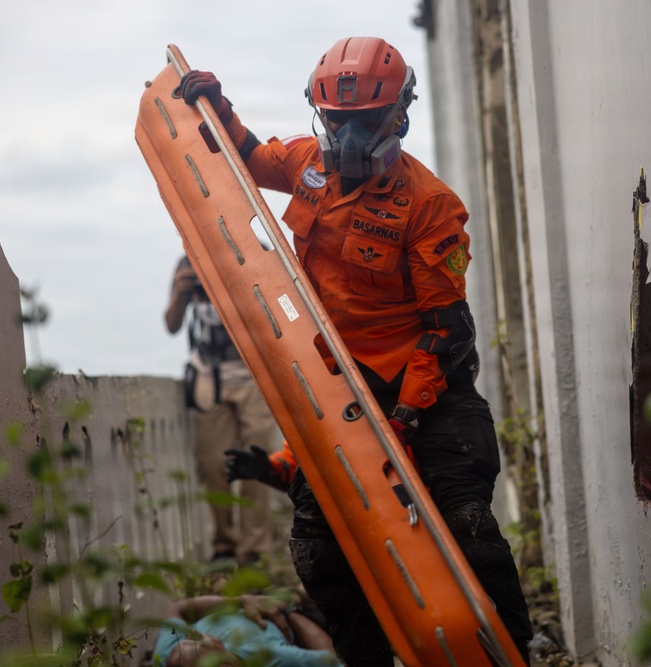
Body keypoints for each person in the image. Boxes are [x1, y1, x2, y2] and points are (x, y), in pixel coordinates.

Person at [179, 36, 533, 665]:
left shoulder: (429, 205)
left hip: (425, 389)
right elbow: (249, 160)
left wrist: (405, 417)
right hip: (346, 386)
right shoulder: (307, 165)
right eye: (337, 123)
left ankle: (509, 653)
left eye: (364, 123)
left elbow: (447, 331)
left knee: (469, 532)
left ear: (397, 117)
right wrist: (217, 107)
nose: (348, 138)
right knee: (321, 548)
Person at [164, 255, 278, 564]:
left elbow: (277, 312)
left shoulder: (254, 251)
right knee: (212, 463)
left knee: (258, 464)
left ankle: (255, 551)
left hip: (256, 375)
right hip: (209, 377)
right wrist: (179, 292)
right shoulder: (189, 262)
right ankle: (224, 544)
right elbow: (172, 325)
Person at [151, 592, 341, 666]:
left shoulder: (270, 657)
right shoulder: (170, 654)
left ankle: (295, 599)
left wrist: (241, 600)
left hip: (270, 611)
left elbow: (331, 661)